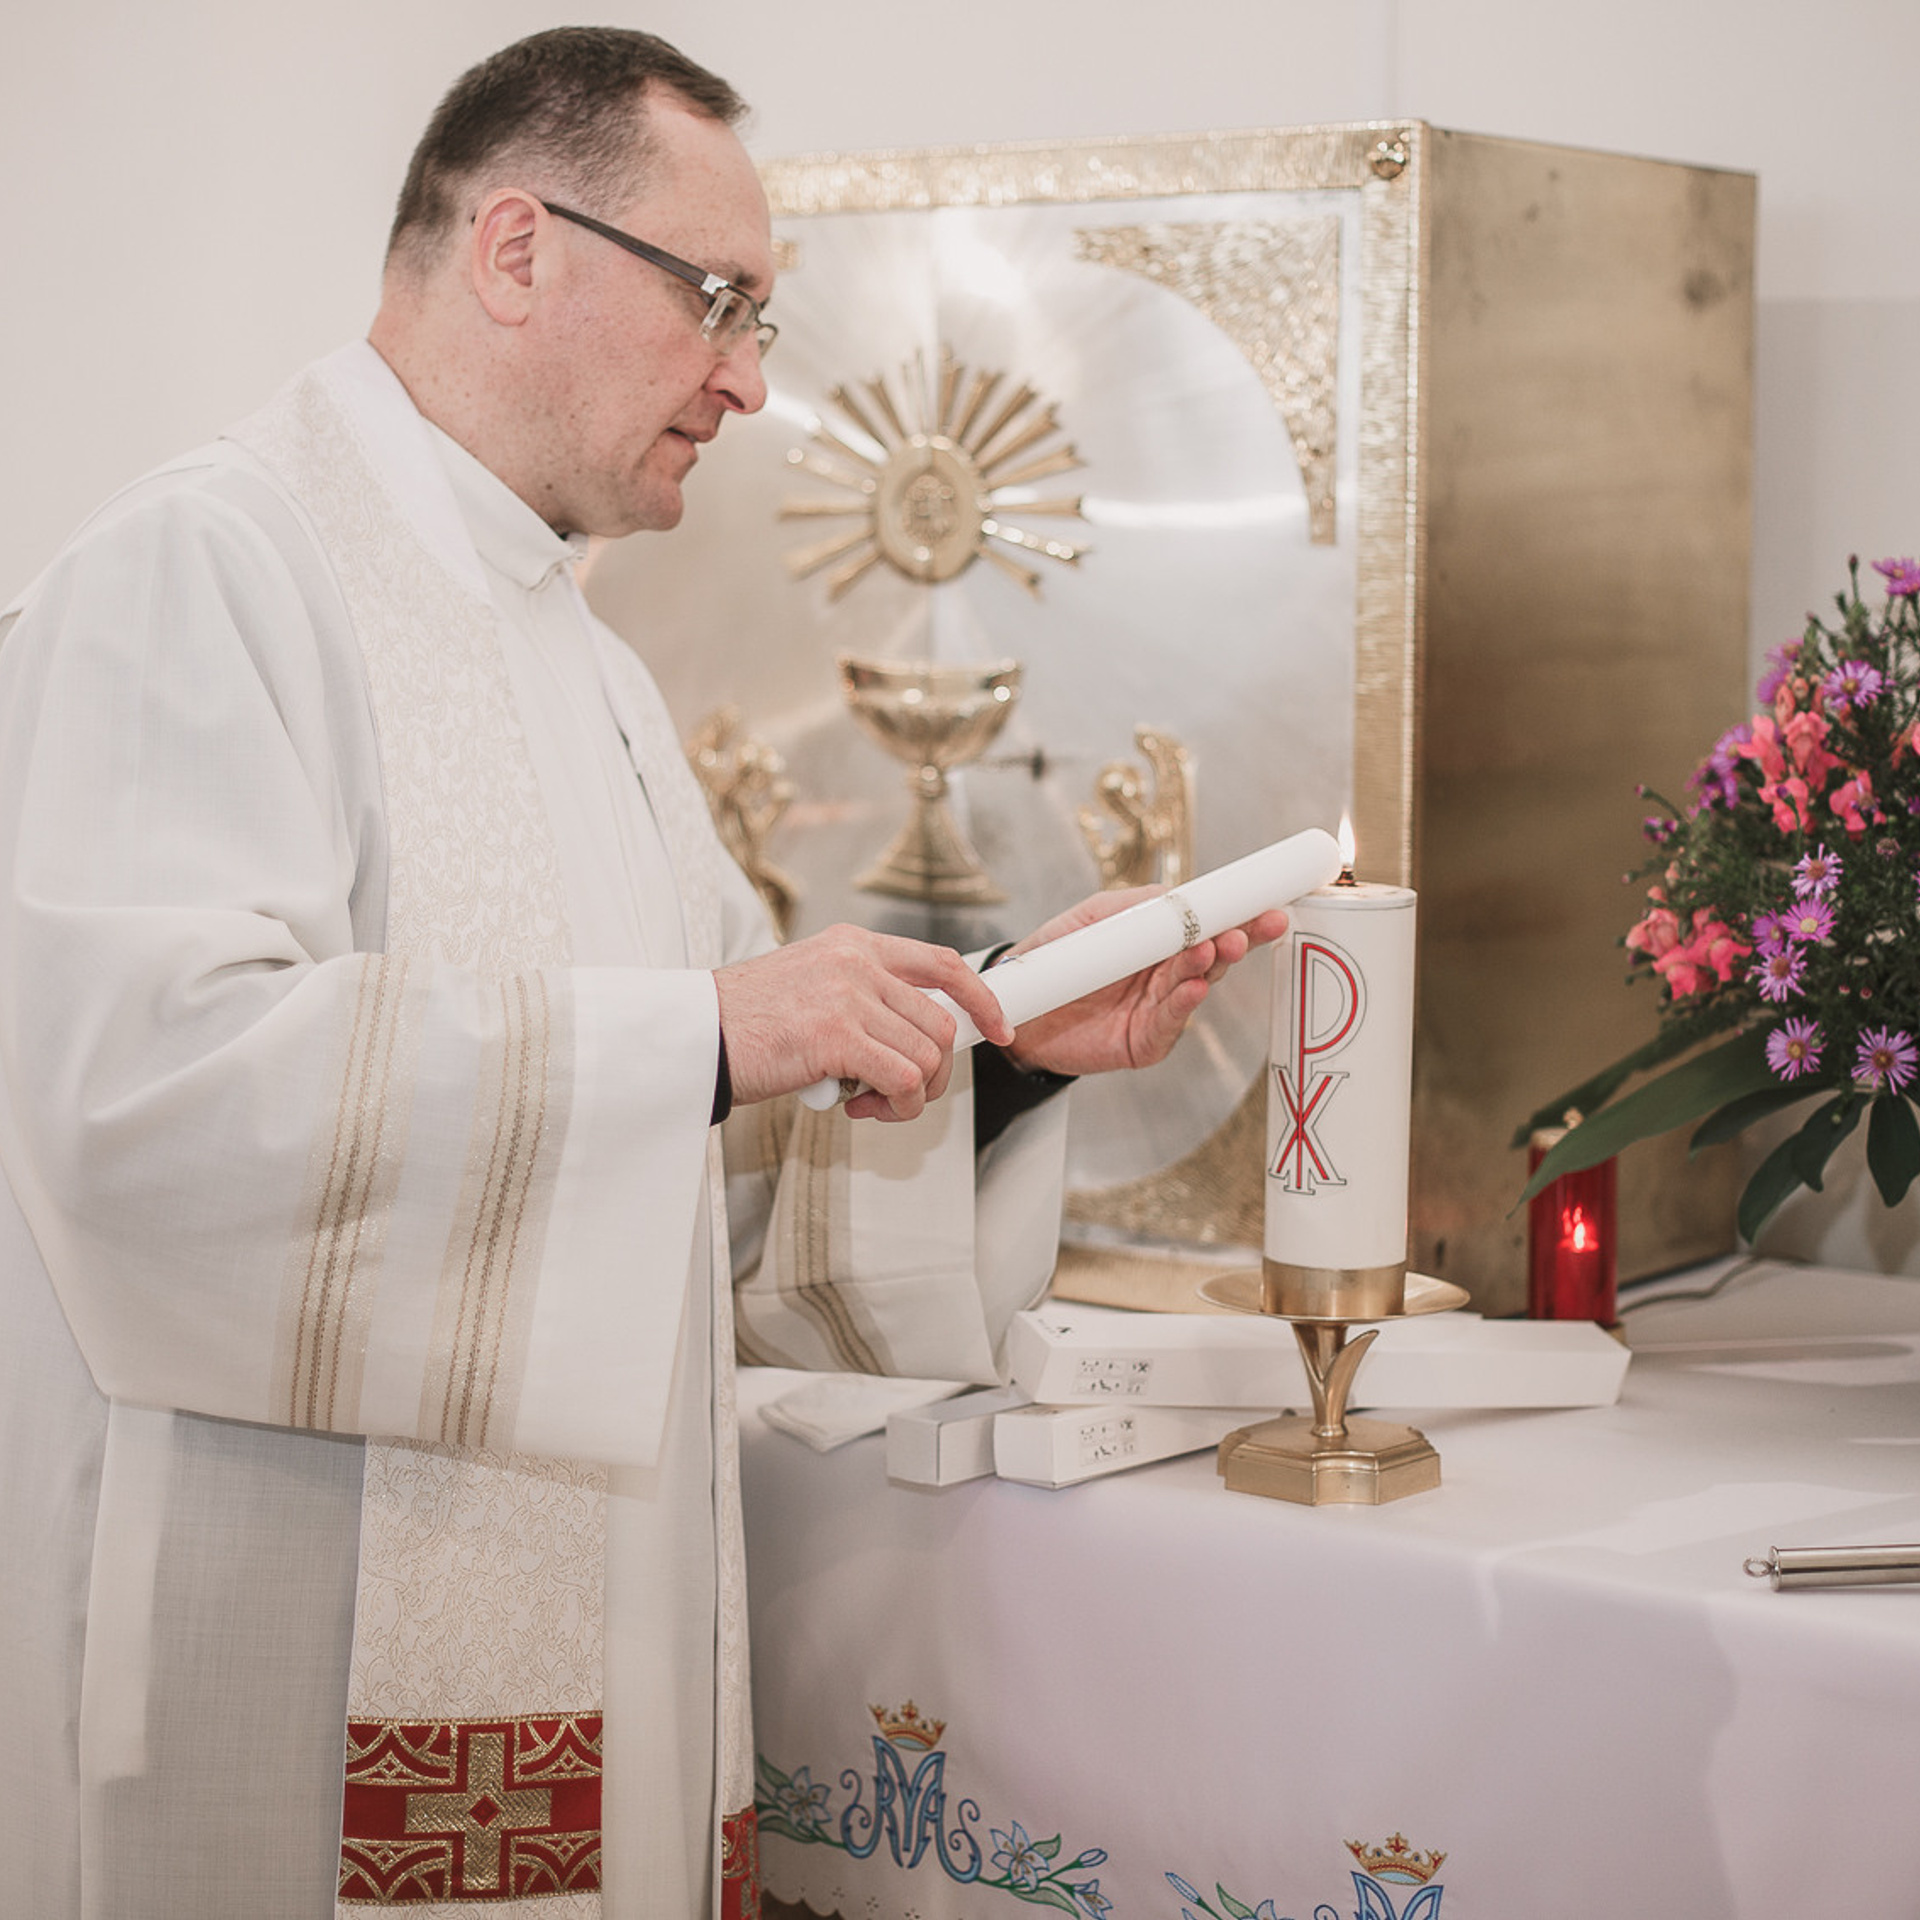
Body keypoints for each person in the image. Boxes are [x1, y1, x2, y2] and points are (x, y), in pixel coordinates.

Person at [0, 27, 1283, 1919]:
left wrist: (1001, 1043)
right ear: (515, 246)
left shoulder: (581, 662)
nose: (754, 383)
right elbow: (149, 1105)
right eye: (720, 304)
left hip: (604, 1660)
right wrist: (698, 1031)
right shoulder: (203, 572)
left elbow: (699, 1174)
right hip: (282, 1665)